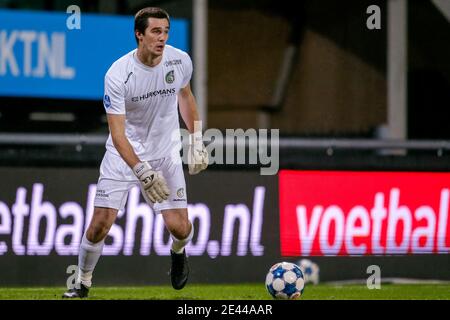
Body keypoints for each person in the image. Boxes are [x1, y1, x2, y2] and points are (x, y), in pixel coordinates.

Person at [63, 7, 208, 298]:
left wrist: (196, 139)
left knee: (180, 228)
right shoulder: (118, 74)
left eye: (166, 31)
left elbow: (186, 95)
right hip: (123, 155)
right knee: (99, 225)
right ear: (139, 35)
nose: (162, 38)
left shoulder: (180, 61)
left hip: (165, 154)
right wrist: (142, 171)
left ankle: (178, 253)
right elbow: (118, 135)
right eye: (155, 31)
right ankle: (82, 282)